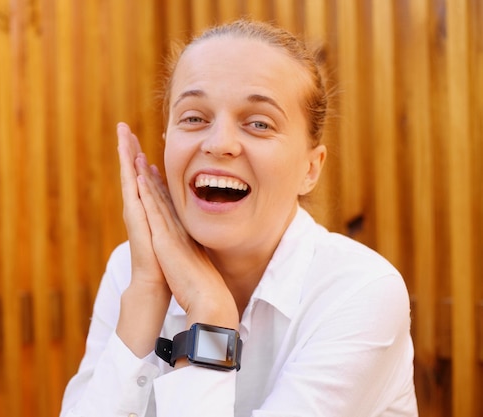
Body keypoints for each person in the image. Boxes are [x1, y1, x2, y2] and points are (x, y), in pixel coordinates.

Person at [60, 19, 418, 417]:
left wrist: (209, 315)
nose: (219, 144)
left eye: (259, 123)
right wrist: (145, 292)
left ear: (310, 168)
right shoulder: (131, 269)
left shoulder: (359, 291)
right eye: (194, 118)